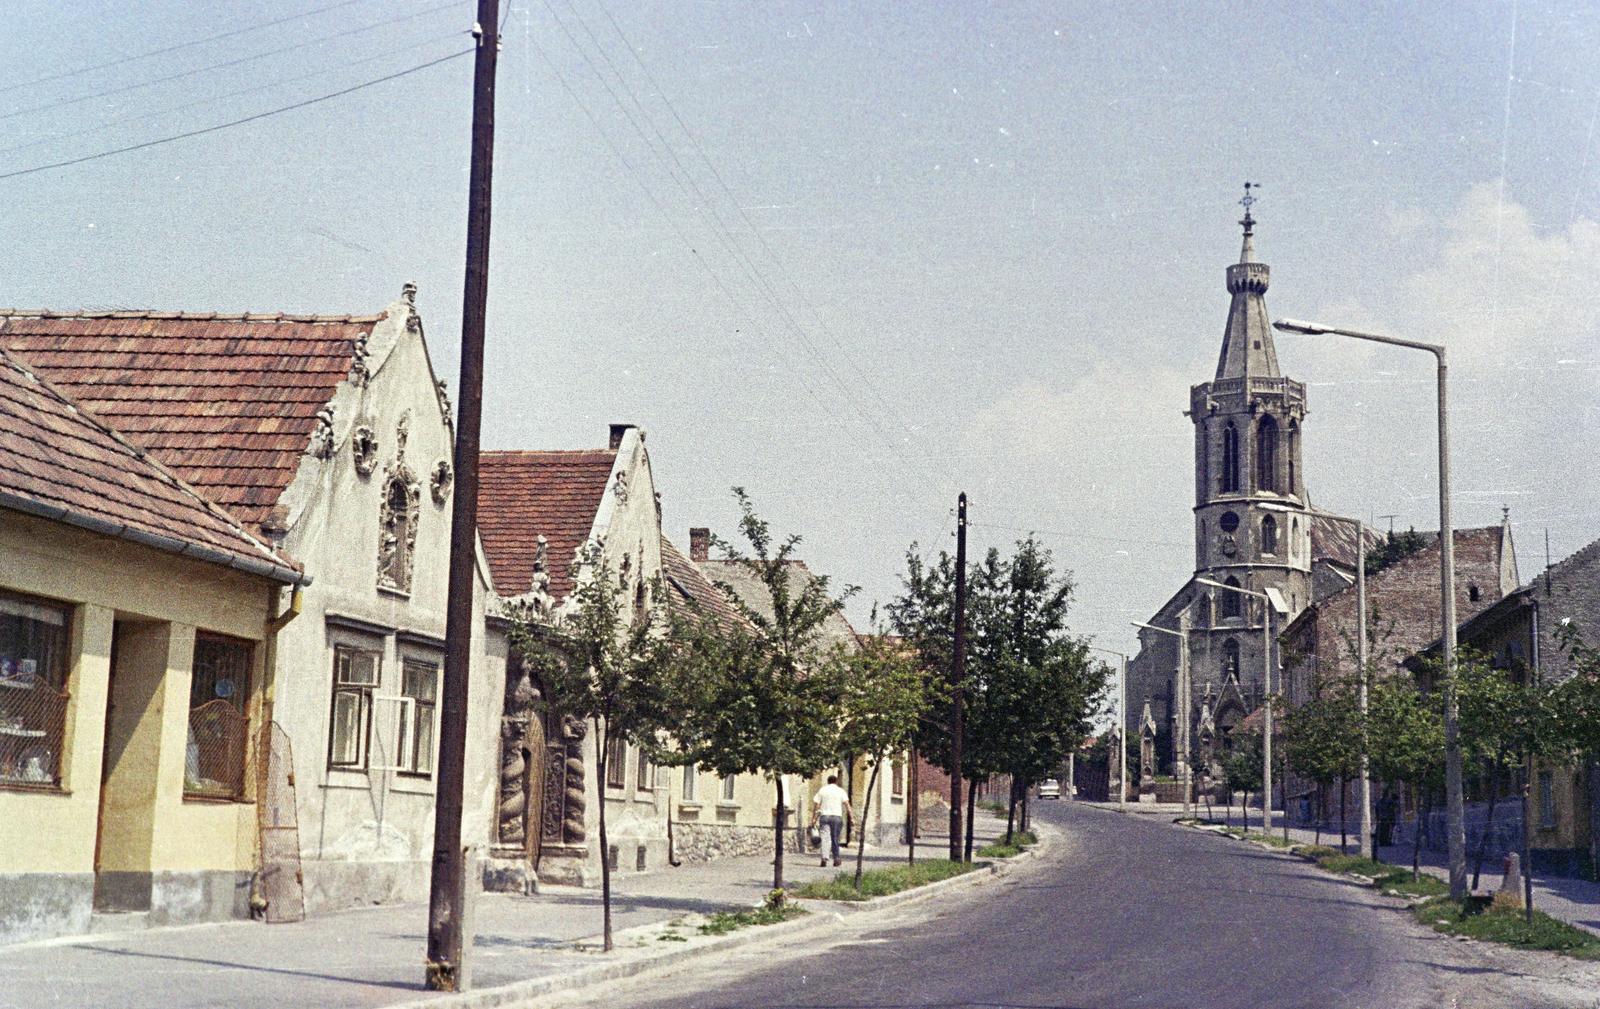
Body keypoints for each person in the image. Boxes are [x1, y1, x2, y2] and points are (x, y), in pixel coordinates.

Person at [811, 774, 853, 867]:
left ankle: (824, 858)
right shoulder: (840, 791)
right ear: (836, 781)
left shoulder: (822, 790)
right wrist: (852, 818)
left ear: (828, 781)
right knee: (835, 838)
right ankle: (836, 859)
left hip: (824, 816)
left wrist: (814, 818)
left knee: (825, 838)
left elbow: (817, 805)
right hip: (836, 817)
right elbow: (847, 805)